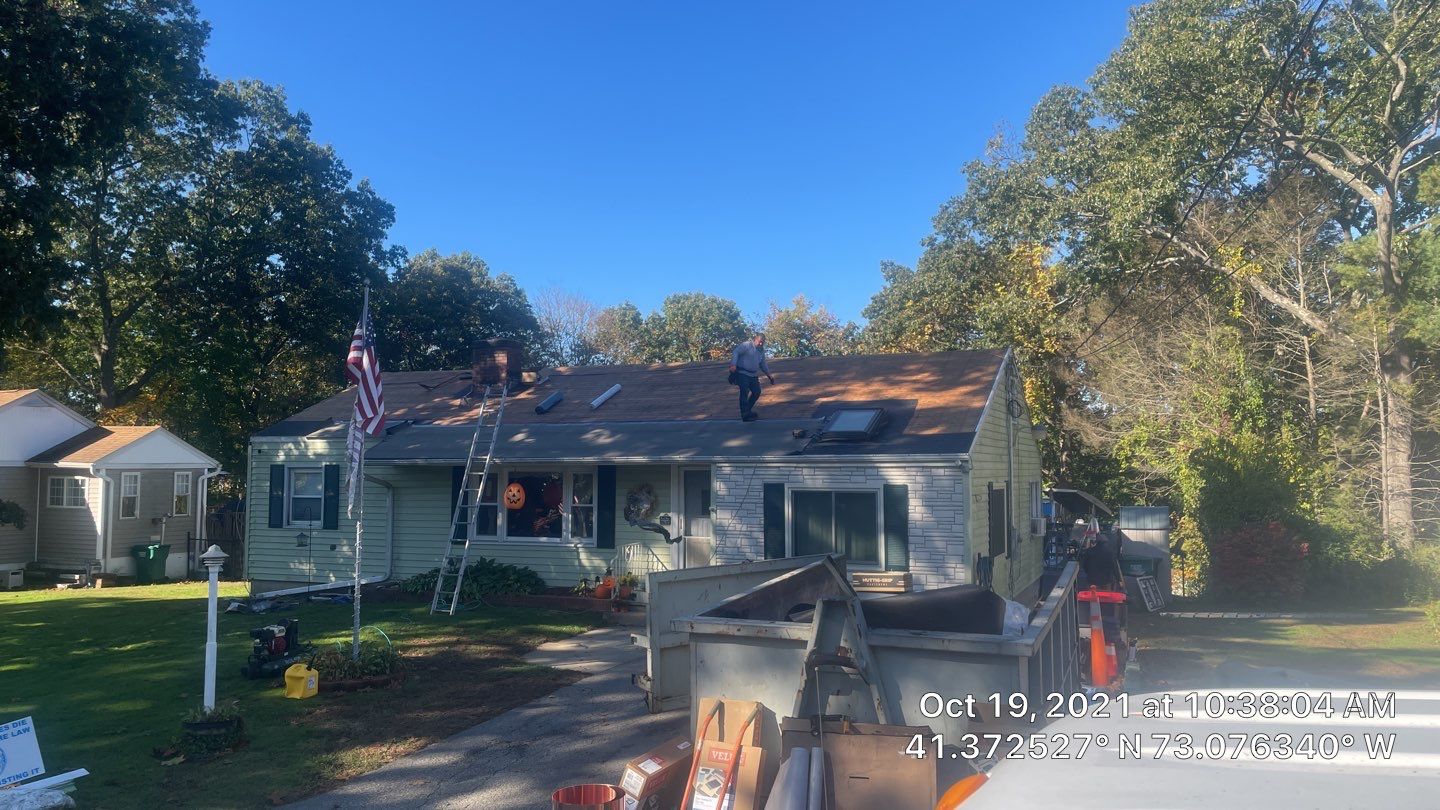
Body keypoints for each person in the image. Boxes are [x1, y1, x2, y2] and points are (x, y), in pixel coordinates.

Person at [730, 333, 775, 421]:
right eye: (759, 342)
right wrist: (733, 364)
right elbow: (736, 352)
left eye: (763, 342)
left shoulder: (761, 351)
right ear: (755, 339)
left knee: (756, 392)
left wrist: (769, 375)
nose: (761, 344)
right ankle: (745, 415)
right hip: (742, 373)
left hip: (753, 375)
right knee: (744, 392)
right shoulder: (746, 345)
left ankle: (747, 411)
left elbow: (763, 364)